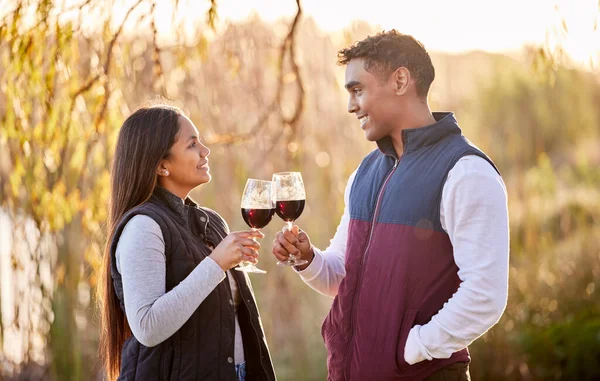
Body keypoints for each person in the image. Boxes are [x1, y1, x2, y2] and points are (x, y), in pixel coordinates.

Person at [272, 30, 509, 381]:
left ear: (400, 80)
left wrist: (414, 348)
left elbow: (485, 295)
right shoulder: (364, 173)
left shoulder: (466, 172)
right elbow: (341, 275)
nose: (351, 106)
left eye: (357, 90)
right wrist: (307, 259)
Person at [98, 103, 277, 381]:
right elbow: (147, 326)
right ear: (161, 165)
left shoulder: (211, 222)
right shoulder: (143, 227)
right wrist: (217, 264)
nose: (206, 151)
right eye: (192, 144)